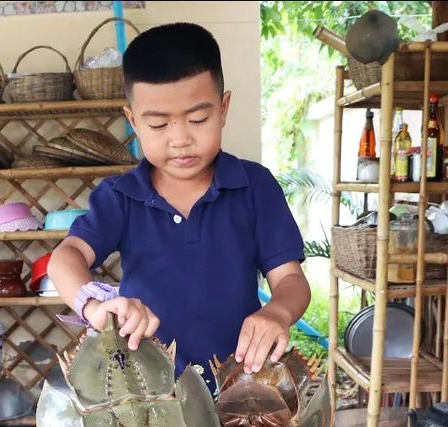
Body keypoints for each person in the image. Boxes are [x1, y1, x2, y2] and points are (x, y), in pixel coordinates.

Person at [46, 22, 311, 393]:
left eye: (198, 119)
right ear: (133, 122)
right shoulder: (121, 196)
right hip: (146, 394)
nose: (180, 139)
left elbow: (291, 280)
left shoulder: (255, 187)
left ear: (224, 108)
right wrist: (94, 305)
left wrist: (277, 312)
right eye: (158, 124)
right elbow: (65, 257)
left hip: (238, 386)